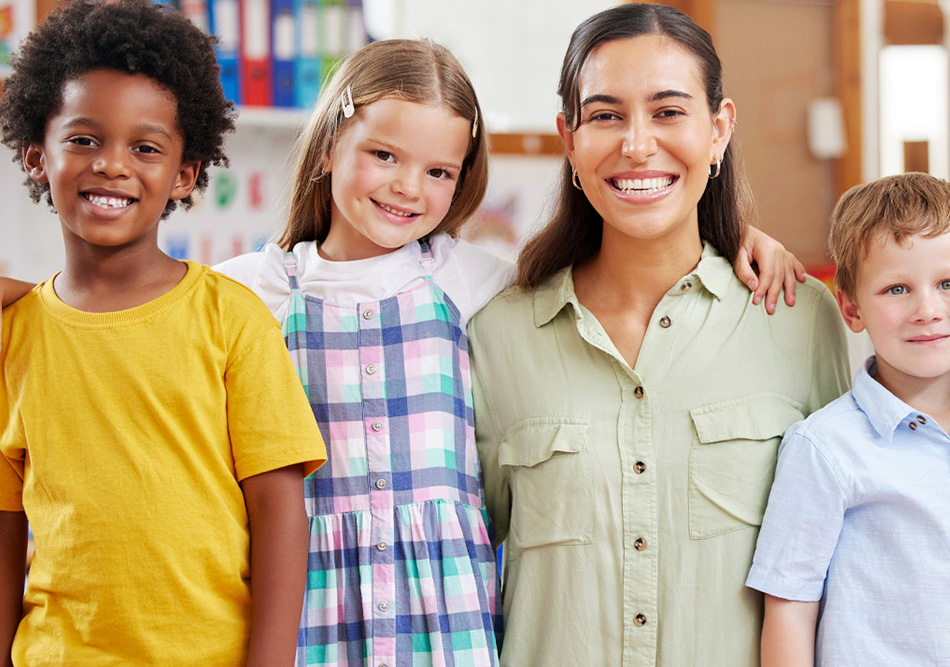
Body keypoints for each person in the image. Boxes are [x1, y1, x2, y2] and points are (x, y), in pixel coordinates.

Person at [213, 35, 806, 666]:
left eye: (439, 171)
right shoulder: (251, 293)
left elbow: (621, 253)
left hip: (445, 626)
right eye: (384, 155)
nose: (408, 188)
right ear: (330, 145)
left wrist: (733, 234)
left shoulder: (470, 281)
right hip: (310, 610)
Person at [467, 4, 851, 665]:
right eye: (606, 115)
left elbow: (845, 569)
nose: (636, 144)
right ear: (569, 137)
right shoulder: (495, 334)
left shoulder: (796, 316)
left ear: (718, 129)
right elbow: (458, 566)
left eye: (669, 111)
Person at [0, 1, 328, 665]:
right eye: (83, 139)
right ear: (37, 157)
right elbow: (7, 521)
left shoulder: (231, 319)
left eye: (144, 148)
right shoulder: (18, 333)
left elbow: (280, 510)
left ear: (184, 174)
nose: (112, 165)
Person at [747, 173, 950, 666]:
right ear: (850, 305)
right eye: (896, 289)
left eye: (949, 284)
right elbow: (790, 609)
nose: (927, 310)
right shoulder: (824, 448)